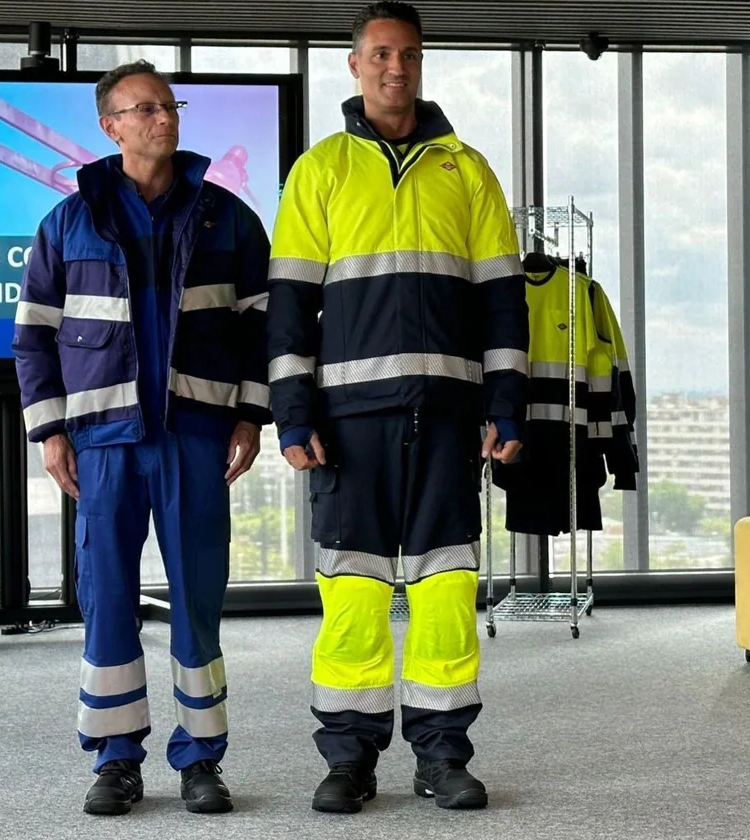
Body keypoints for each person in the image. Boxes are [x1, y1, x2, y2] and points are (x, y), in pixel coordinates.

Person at [266, 1, 529, 814]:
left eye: (408, 55)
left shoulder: (470, 169)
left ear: (421, 63)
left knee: (448, 589)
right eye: (380, 54)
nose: (395, 67)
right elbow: (287, 305)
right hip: (348, 423)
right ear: (354, 65)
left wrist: (508, 403)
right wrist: (293, 413)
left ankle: (442, 754)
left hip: (451, 417)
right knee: (351, 594)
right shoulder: (321, 170)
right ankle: (348, 759)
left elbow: (503, 303)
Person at [12, 60, 272, 817]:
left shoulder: (229, 217)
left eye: (170, 106)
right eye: (146, 108)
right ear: (110, 125)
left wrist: (250, 415)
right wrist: (50, 431)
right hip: (103, 444)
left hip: (194, 437)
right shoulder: (67, 223)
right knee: (107, 600)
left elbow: (263, 329)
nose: (164, 118)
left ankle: (201, 761)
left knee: (197, 602)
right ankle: (116, 760)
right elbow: (33, 339)